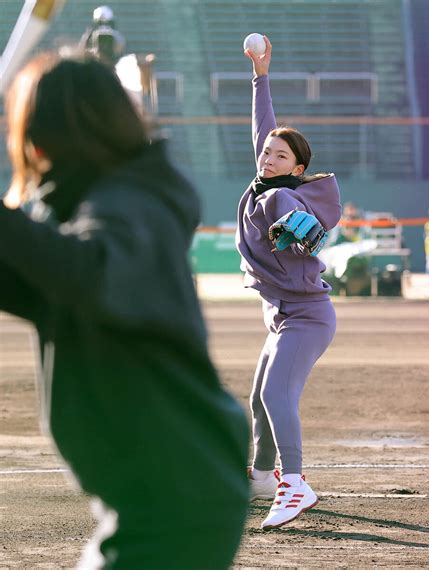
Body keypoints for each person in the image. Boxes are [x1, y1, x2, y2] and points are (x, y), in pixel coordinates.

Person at [0, 52, 249, 568]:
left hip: (181, 493)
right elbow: (34, 281)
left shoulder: (136, 203)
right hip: (165, 493)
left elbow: (84, 273)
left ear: (45, 140)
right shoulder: (104, 208)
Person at [236, 36, 342, 530]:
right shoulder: (264, 184)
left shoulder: (283, 199)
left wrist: (302, 236)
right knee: (260, 398)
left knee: (278, 395)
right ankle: (259, 476)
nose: (269, 158)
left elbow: (312, 239)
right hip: (283, 318)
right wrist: (261, 75)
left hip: (306, 318)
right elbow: (264, 128)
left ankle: (294, 484)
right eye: (268, 153)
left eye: (280, 157)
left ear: (297, 170)